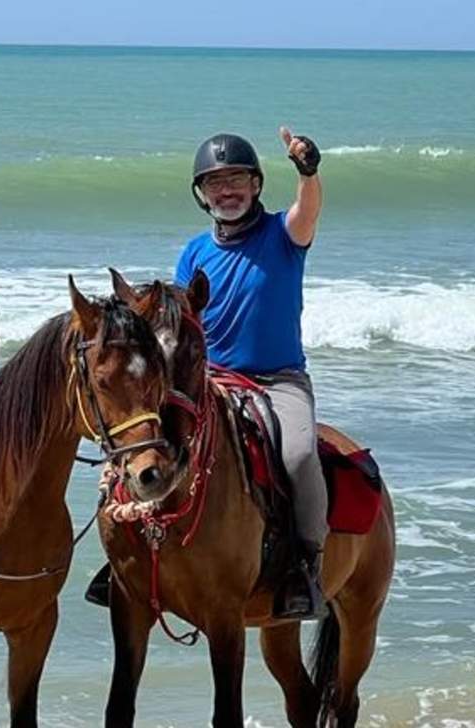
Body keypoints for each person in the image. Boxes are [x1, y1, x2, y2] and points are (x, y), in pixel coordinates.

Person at [175, 129, 327, 619]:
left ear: (257, 184)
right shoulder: (194, 252)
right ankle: (130, 562)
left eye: (236, 178)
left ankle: (306, 564)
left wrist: (308, 172)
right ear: (202, 194)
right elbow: (180, 326)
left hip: (278, 380)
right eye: (214, 183)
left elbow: (309, 212)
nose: (226, 191)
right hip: (211, 381)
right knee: (149, 444)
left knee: (300, 454)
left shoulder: (284, 234)